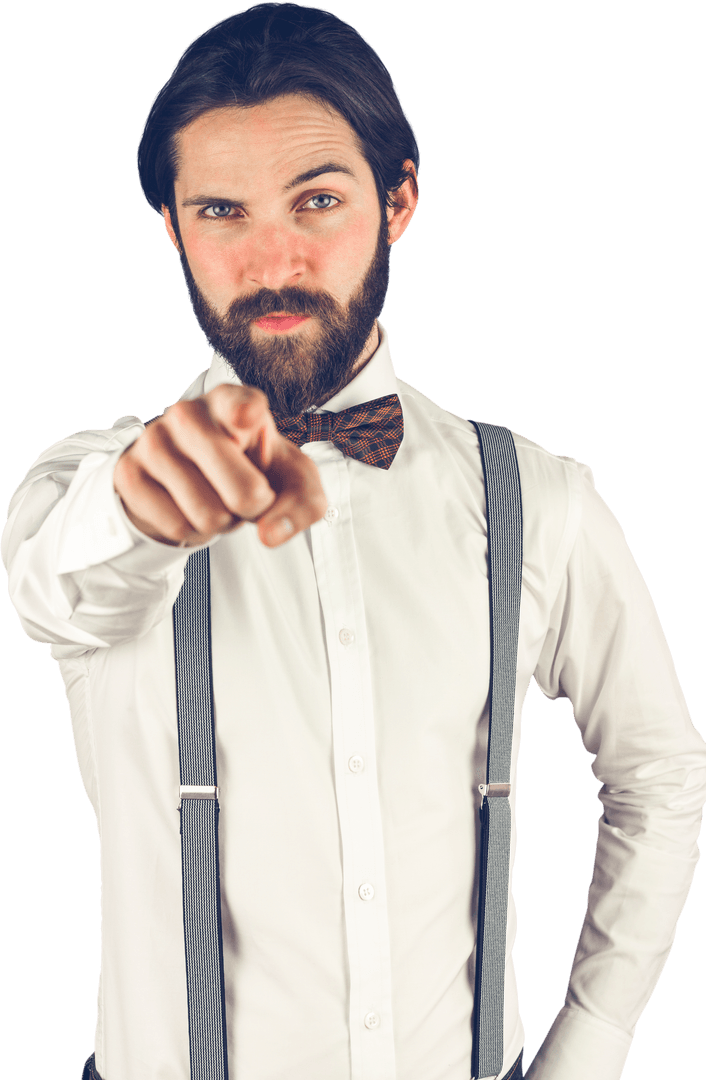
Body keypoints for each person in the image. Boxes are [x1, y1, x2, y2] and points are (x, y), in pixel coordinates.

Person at [3, 4, 705, 1079]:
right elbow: (63, 587)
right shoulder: (86, 486)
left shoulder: (541, 500)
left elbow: (658, 774)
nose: (273, 257)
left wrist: (590, 1046)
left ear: (400, 200)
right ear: (171, 228)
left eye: (318, 200)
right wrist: (142, 508)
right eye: (222, 210)